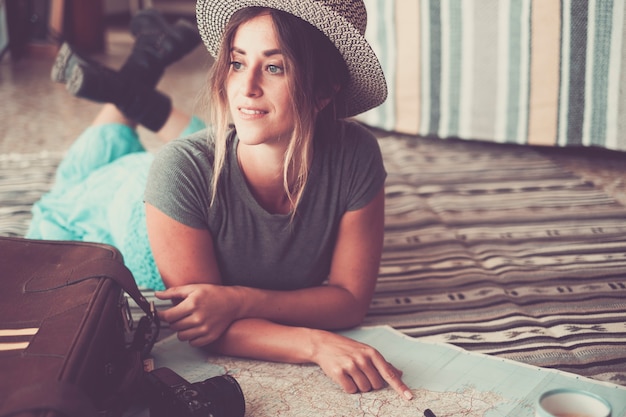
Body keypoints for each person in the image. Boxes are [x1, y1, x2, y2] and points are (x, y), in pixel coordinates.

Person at [28, 1, 413, 400]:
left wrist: (237, 298)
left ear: (323, 90)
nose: (246, 87)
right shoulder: (178, 169)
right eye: (236, 62)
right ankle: (135, 78)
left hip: (198, 185)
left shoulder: (357, 154)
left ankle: (138, 72)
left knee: (216, 139)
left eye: (274, 67)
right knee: (87, 169)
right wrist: (315, 344)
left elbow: (350, 301)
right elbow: (203, 328)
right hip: (125, 211)